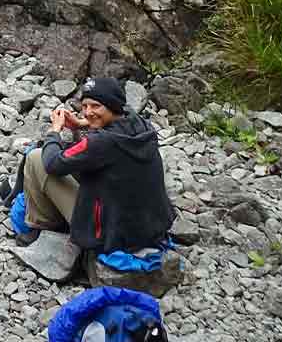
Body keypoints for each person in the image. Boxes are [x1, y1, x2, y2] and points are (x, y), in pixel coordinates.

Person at [20, 76, 176, 254]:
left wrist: (54, 131)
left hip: (109, 235)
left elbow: (53, 164)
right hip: (149, 229)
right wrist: (80, 125)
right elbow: (115, 116)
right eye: (85, 106)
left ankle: (43, 225)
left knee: (36, 157)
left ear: (112, 106)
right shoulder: (140, 125)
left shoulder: (103, 142)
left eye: (95, 106)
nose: (87, 112)